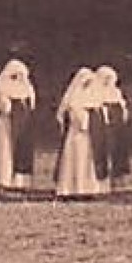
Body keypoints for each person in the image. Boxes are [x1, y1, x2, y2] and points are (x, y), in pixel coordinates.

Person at [55, 68, 107, 198]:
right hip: (77, 134)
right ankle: (71, 188)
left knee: (88, 161)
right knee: (75, 159)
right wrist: (81, 119)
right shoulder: (73, 98)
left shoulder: (95, 97)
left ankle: (88, 188)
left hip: (90, 136)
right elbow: (67, 113)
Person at [0, 60, 38, 191]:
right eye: (15, 75)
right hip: (6, 126)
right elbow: (4, 108)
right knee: (5, 153)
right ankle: (4, 180)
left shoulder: (28, 89)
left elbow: (32, 106)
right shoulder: (3, 88)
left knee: (22, 152)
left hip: (24, 126)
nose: (19, 79)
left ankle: (20, 181)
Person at [95, 66, 132, 186]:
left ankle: (118, 177)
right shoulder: (96, 91)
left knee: (119, 150)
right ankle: (104, 177)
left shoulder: (116, 91)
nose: (108, 81)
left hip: (118, 124)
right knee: (104, 150)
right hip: (104, 124)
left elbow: (122, 106)